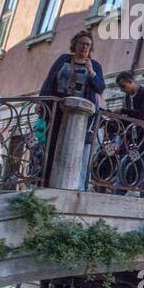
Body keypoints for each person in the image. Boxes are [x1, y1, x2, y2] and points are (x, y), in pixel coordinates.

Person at [38, 31, 105, 187]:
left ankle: (70, 185)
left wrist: (92, 72)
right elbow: (50, 81)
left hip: (81, 115)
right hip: (57, 109)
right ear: (75, 44)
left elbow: (100, 88)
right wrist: (42, 103)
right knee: (52, 145)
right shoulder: (63, 59)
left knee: (74, 147)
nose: (84, 47)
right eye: (81, 43)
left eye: (88, 45)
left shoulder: (95, 65)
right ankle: (45, 181)